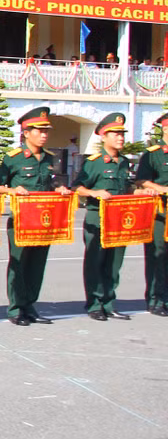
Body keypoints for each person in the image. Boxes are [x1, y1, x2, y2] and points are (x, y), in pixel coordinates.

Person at [0, 107, 72, 325]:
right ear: (26, 133)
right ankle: (16, 309)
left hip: (43, 221)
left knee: (38, 264)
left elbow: (52, 183)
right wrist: (12, 190)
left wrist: (60, 189)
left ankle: (30, 305)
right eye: (39, 130)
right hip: (21, 220)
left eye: (46, 130)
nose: (44, 134)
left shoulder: (49, 158)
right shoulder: (13, 159)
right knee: (19, 263)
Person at [73, 113, 142, 321]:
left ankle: (109, 302)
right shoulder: (94, 162)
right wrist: (94, 193)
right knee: (95, 262)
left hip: (119, 220)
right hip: (98, 218)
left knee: (114, 263)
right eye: (116, 134)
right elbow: (77, 187)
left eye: (122, 134)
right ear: (104, 137)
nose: (120, 138)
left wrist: (136, 192)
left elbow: (125, 187)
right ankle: (94, 304)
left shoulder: (123, 162)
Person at [134, 111, 168, 318]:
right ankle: (156, 299)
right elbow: (142, 180)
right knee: (158, 254)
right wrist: (161, 189)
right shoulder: (153, 154)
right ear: (165, 129)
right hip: (160, 211)